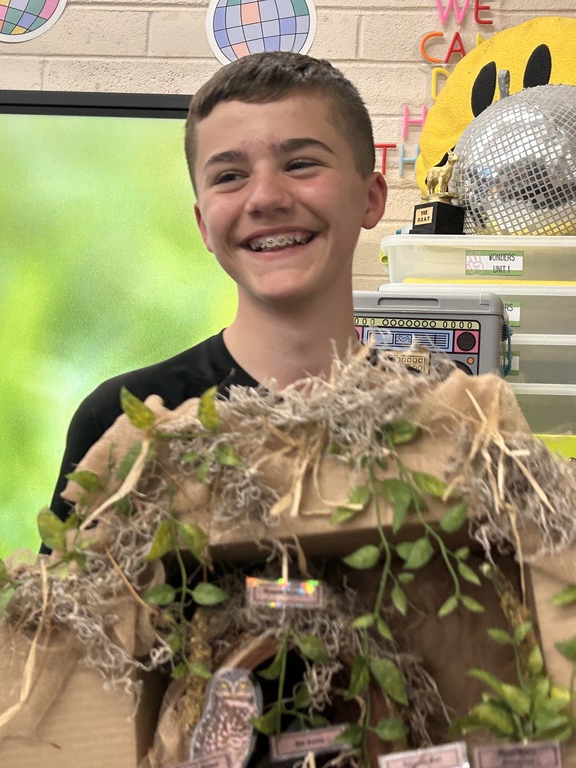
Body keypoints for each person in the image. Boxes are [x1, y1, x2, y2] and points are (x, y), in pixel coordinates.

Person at [46, 51, 388, 531]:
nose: (265, 198)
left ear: (371, 199)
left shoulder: (443, 415)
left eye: (300, 164)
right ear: (204, 225)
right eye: (230, 176)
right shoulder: (127, 422)